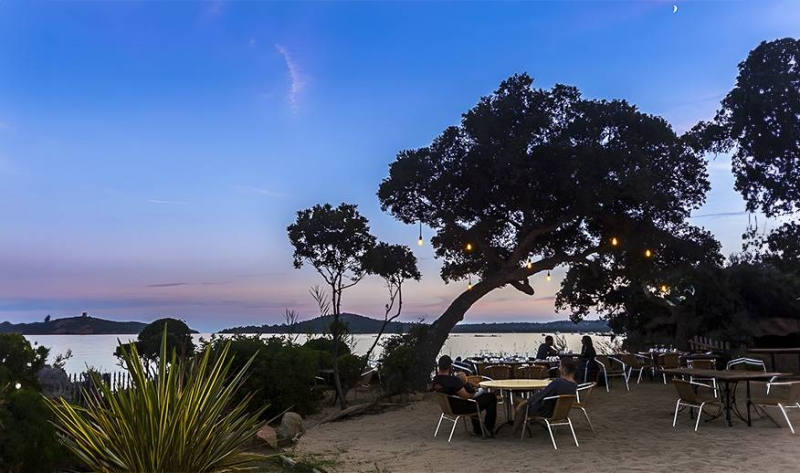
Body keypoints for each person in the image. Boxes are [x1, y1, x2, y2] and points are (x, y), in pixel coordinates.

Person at [431, 355, 497, 437]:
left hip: (448, 407)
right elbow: (466, 396)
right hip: (460, 408)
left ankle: (478, 429)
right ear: (450, 366)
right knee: (491, 397)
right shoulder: (453, 380)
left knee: (478, 399)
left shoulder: (435, 380)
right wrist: (475, 390)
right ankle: (489, 427)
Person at [512, 358, 579, 435]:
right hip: (560, 412)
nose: (559, 369)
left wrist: (523, 404)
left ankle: (514, 431)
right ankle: (520, 423)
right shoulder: (574, 385)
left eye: (560, 366)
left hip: (545, 411)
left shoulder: (557, 383)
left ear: (564, 369)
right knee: (523, 403)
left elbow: (541, 395)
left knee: (519, 402)